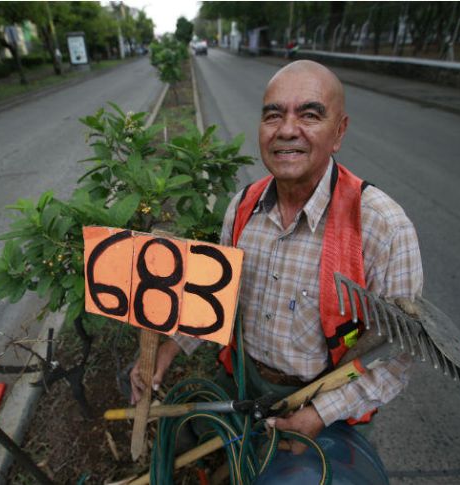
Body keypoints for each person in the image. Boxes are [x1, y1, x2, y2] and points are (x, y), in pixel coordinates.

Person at [130, 60, 423, 456]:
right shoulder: (243, 207)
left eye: (310, 115)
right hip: (243, 380)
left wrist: (319, 414)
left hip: (325, 401)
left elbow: (397, 357)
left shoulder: (383, 227)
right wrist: (166, 350)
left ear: (339, 132)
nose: (286, 130)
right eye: (273, 115)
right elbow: (217, 300)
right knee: (190, 441)